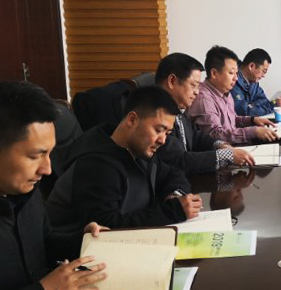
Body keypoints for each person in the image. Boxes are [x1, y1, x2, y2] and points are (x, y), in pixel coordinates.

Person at [0, 81, 108, 290]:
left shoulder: (25, 192)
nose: (47, 169)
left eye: (49, 153)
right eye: (36, 155)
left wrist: (83, 241)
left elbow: (43, 242)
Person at [46, 86, 202, 232]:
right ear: (132, 120)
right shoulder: (96, 165)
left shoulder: (137, 148)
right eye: (158, 130)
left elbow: (171, 174)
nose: (163, 140)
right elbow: (106, 228)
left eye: (167, 133)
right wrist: (173, 211)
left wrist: (175, 195)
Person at [154, 53, 255, 174]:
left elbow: (195, 136)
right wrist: (226, 155)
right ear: (172, 81)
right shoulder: (156, 114)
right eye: (193, 85)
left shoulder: (178, 107)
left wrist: (219, 145)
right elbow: (178, 160)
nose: (197, 92)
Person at [188, 45, 278, 144]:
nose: (236, 78)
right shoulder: (204, 99)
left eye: (236, 73)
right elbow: (215, 135)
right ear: (214, 73)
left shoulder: (224, 91)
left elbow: (233, 120)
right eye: (231, 73)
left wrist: (252, 120)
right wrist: (253, 132)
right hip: (222, 151)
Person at [231, 48, 281, 117]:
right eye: (264, 71)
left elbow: (264, 100)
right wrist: (273, 106)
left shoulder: (253, 81)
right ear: (251, 66)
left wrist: (251, 106)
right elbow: (244, 112)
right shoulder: (232, 80)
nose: (263, 76)